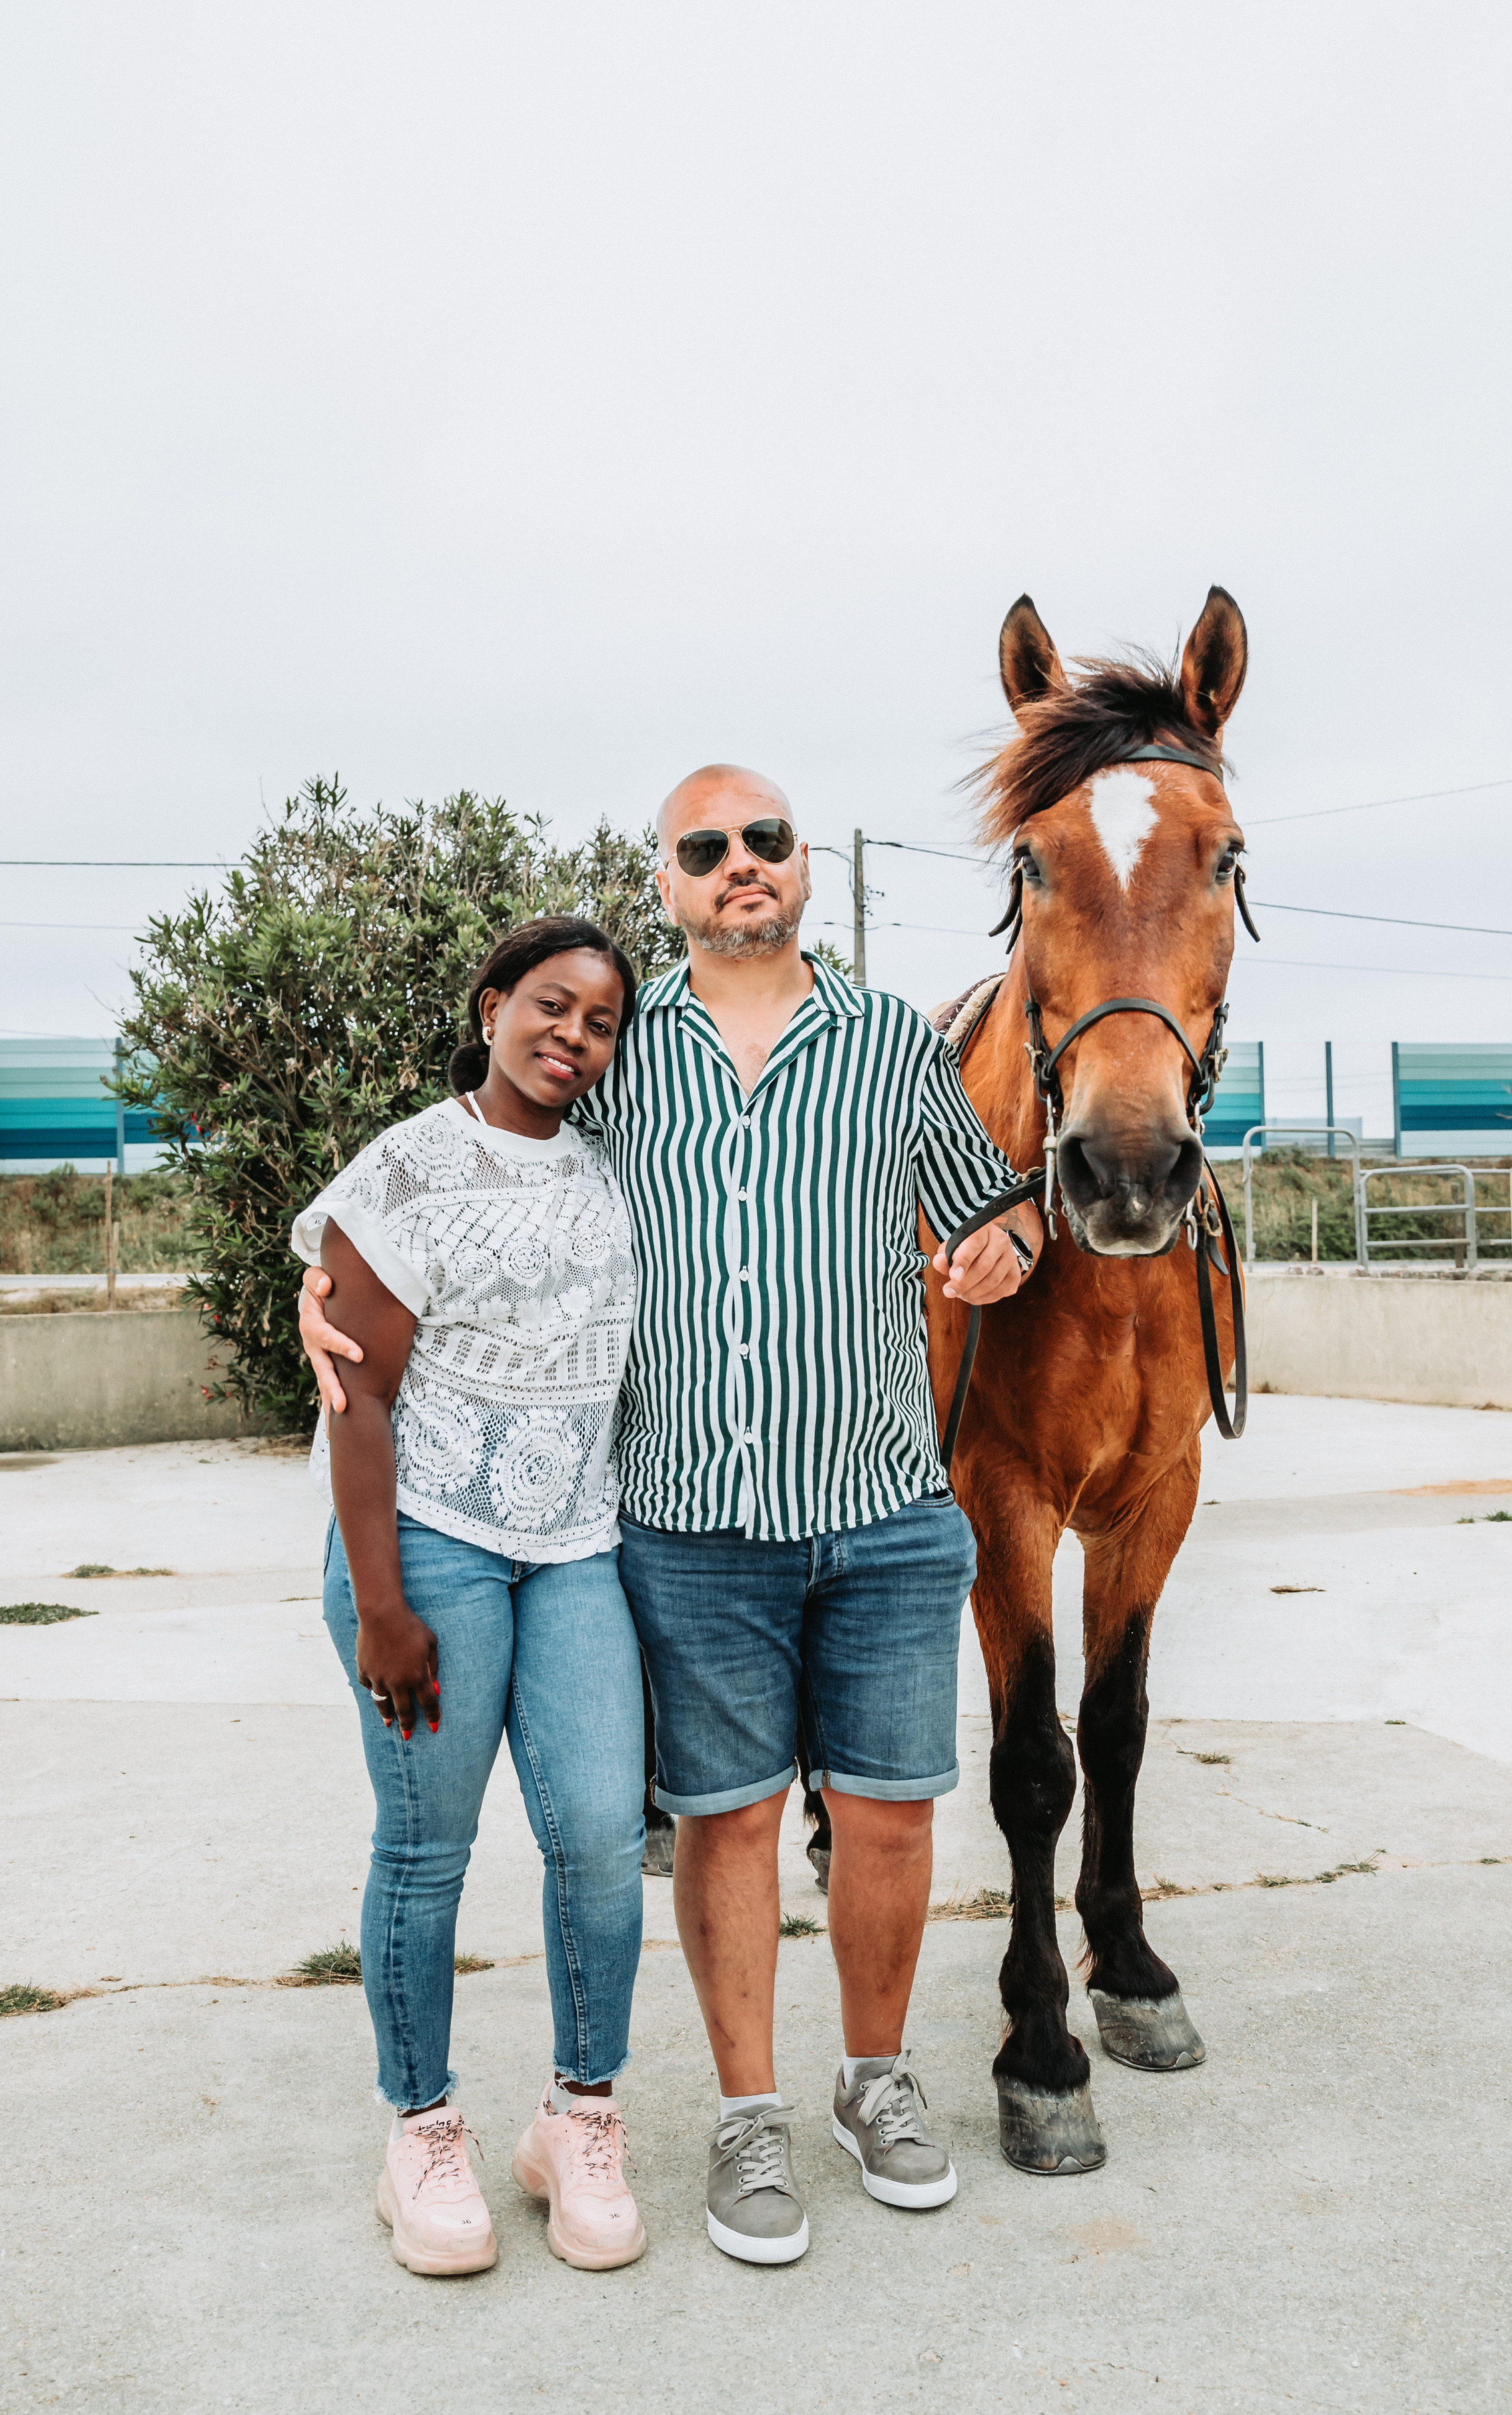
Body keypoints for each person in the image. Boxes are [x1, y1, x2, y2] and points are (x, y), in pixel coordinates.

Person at [302, 769, 1038, 2265]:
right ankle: (739, 2117)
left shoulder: (894, 1045)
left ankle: (867, 2083)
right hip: (686, 1522)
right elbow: (434, 1178)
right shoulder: (624, 1066)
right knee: (723, 1822)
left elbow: (992, 1207)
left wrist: (1011, 1243)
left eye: (765, 840)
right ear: (671, 886)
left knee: (884, 1817)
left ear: (805, 867)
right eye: (704, 851)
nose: (739, 865)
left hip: (879, 1502)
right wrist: (313, 1295)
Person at [292, 915, 651, 2280]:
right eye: (548, 1007)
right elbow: (356, 1392)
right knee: (427, 1850)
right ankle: (422, 2131)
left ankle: (579, 2116)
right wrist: (381, 1606)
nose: (571, 1036)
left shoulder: (616, 1171)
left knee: (599, 1841)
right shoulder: (409, 1164)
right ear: (493, 1005)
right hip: (430, 1545)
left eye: (599, 1022)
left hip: (576, 1550)